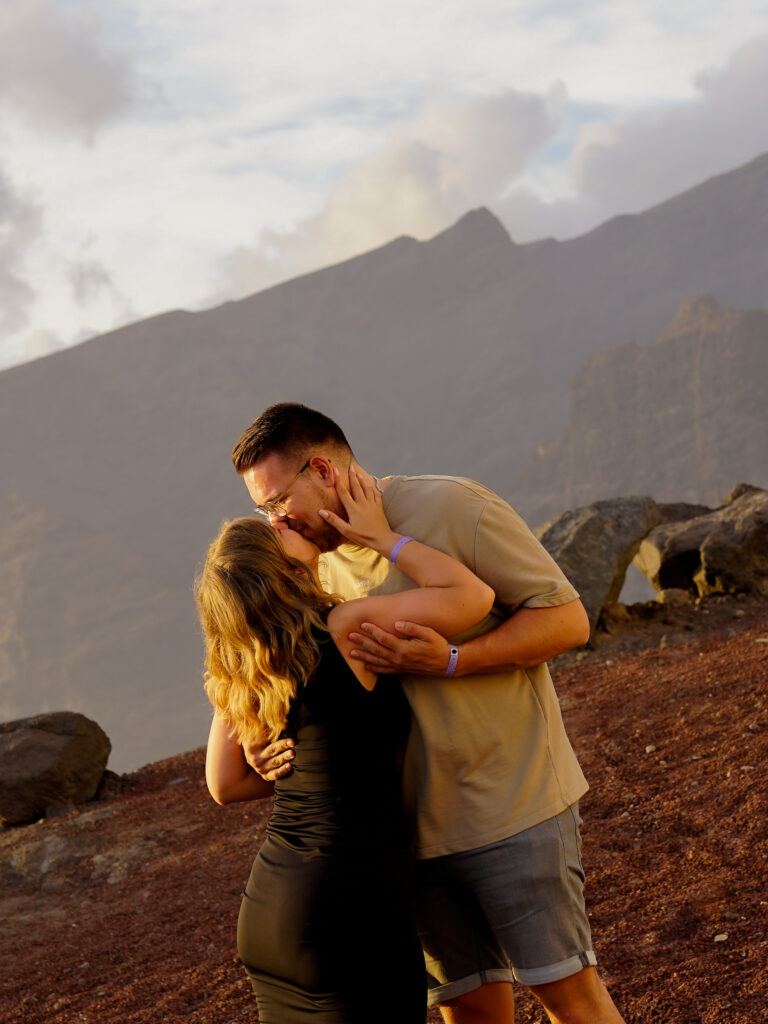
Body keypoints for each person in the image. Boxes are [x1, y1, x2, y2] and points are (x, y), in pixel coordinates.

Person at [231, 402, 627, 1024]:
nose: (275, 522)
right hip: (406, 837)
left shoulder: (452, 508)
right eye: (263, 512)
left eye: (278, 502)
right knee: (468, 1010)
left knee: (568, 999)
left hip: (510, 807)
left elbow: (567, 619)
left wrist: (454, 660)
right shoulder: (307, 567)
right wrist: (262, 744)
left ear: (322, 470)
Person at [196, 469, 495, 1023]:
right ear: (280, 569)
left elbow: (224, 784)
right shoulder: (344, 626)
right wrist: (383, 538)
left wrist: (290, 768)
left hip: (272, 911)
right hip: (350, 904)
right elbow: (472, 597)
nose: (281, 518)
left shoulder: (249, 663)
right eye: (274, 528)